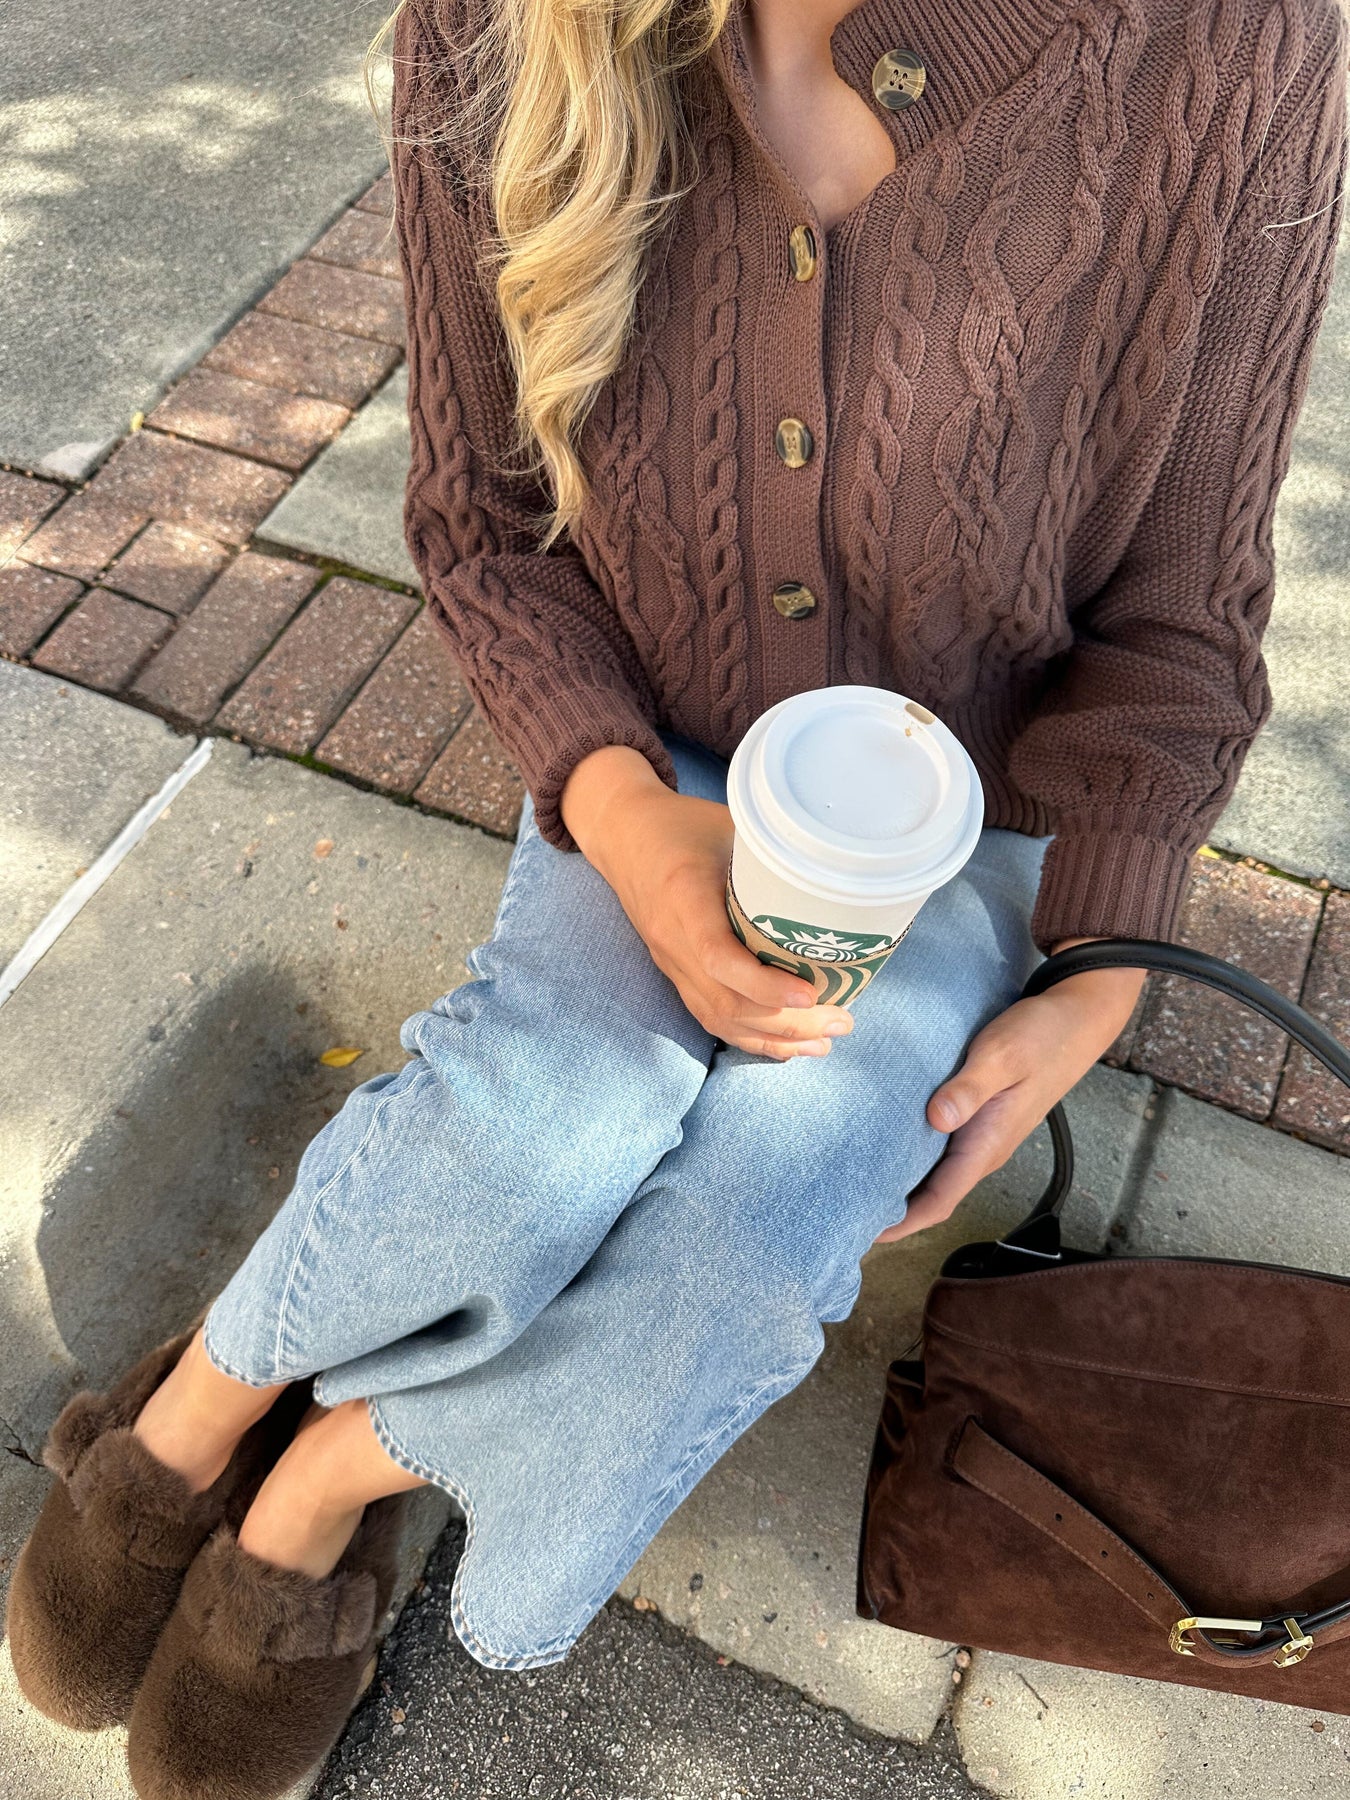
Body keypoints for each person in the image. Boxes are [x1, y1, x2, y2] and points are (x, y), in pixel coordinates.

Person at [8, 0, 1346, 1793]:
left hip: (966, 825)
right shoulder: (504, 27)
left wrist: (1095, 968)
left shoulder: (1236, 40)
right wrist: (626, 818)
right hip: (644, 751)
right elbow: (480, 521)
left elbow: (1185, 606)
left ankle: (330, 1469)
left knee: (746, 1243)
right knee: (523, 1141)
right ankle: (198, 1406)